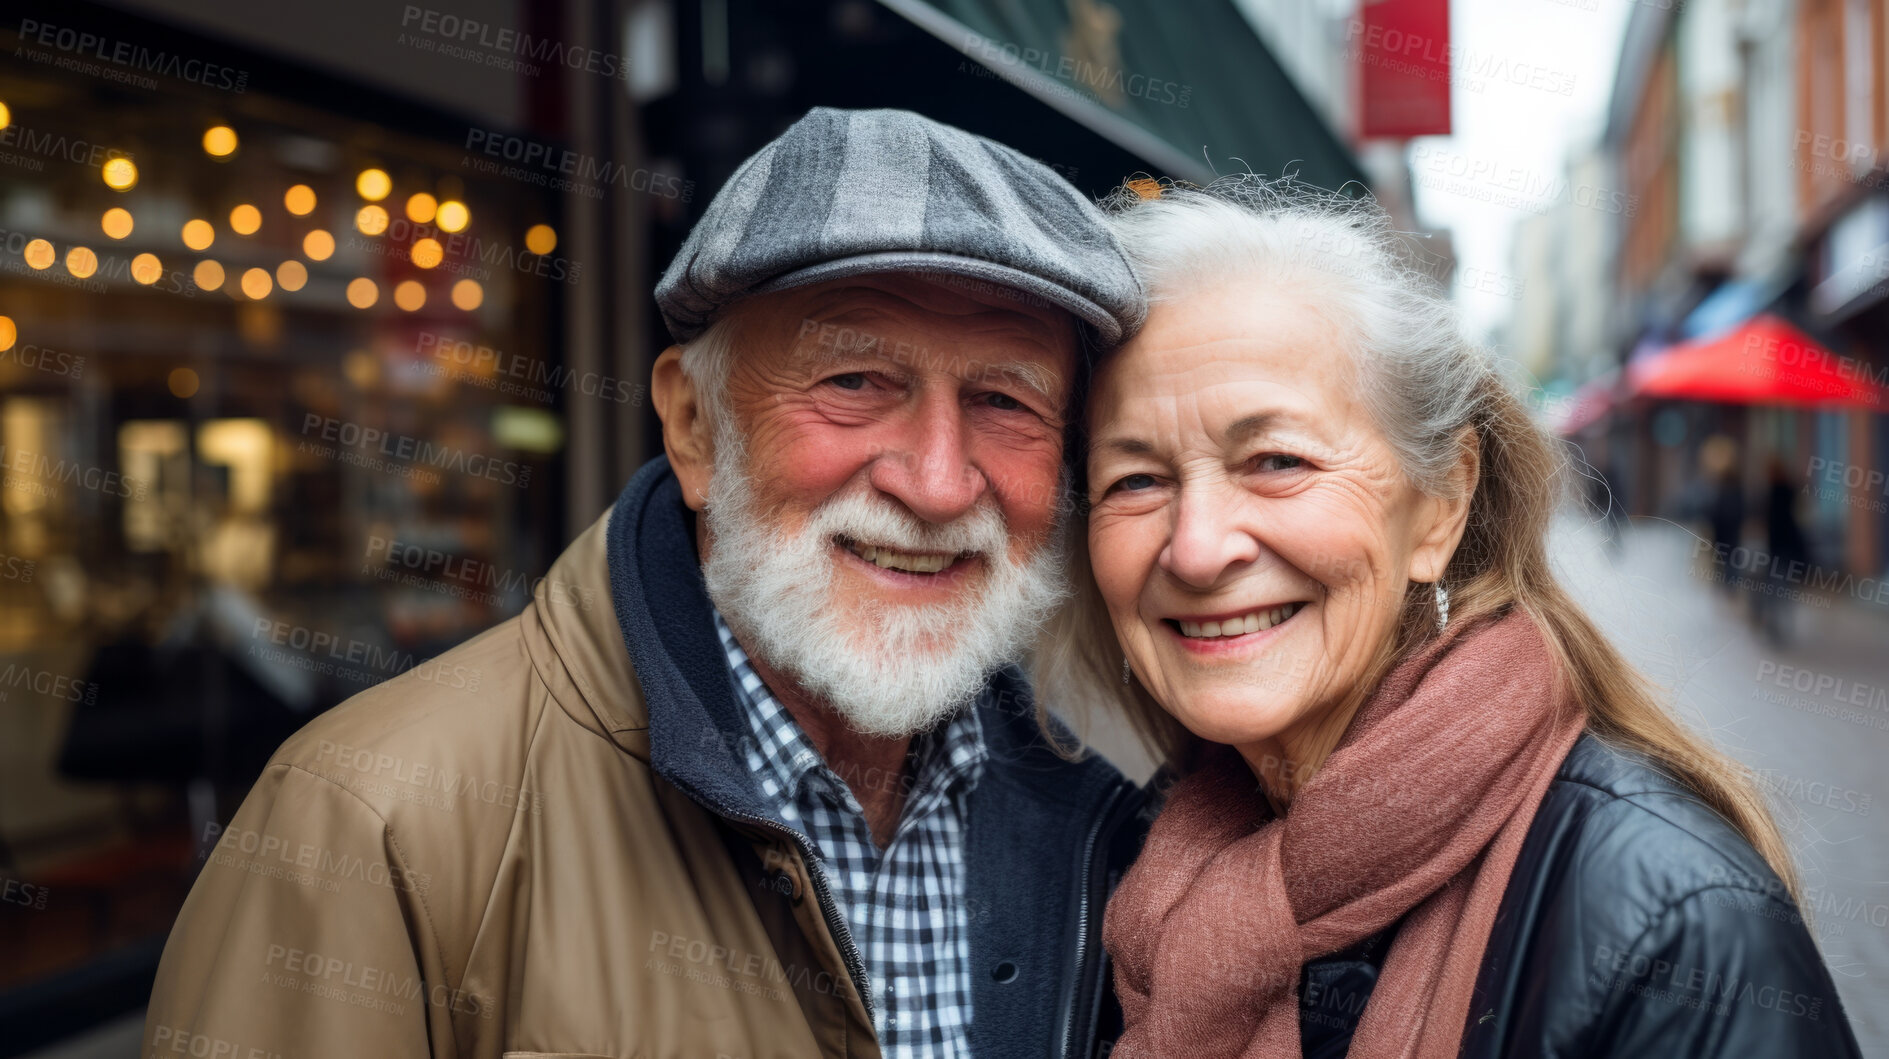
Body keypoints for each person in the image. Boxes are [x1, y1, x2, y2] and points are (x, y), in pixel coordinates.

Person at [144, 108, 1152, 1058]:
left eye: (1004, 400)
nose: (937, 483)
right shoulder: (369, 819)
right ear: (693, 428)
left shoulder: (1103, 822)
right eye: (852, 382)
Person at [1033, 179, 1862, 1058]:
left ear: (1440, 505)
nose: (1195, 549)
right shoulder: (1131, 864)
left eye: (1276, 460)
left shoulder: (1673, 927)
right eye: (1135, 480)